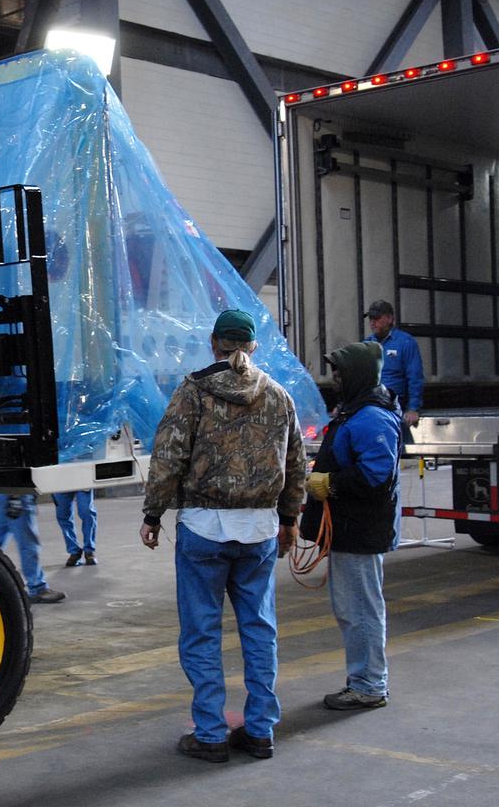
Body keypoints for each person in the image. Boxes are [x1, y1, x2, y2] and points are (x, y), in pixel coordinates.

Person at [139, 309, 305, 763]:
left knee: (201, 633)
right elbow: (295, 466)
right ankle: (260, 731)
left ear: (215, 343)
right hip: (259, 532)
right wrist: (290, 520)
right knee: (259, 629)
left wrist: (153, 513)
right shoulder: (278, 396)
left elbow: (168, 456)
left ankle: (210, 734)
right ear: (251, 346)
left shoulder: (193, 392)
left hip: (203, 530)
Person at [301, 341, 401, 711]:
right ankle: (365, 680)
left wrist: (331, 484)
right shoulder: (356, 411)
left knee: (360, 610)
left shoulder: (371, 417)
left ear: (357, 374)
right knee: (353, 608)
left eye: (341, 371)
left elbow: (377, 474)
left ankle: (369, 685)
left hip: (360, 531)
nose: (335, 378)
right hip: (350, 529)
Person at [0, 495, 66, 604]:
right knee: (28, 543)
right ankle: (37, 588)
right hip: (17, 493)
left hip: (5, 493)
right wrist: (15, 497)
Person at [362, 300, 423, 439]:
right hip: (370, 403)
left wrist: (413, 409)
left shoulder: (405, 342)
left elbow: (415, 377)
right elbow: (357, 377)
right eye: (371, 319)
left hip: (393, 404)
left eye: (377, 318)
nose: (372, 322)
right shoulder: (366, 344)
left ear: (389, 318)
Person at [54, 490, 98, 566]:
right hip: (59, 481)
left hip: (82, 480)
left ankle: (89, 550)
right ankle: (74, 551)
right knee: (63, 515)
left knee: (87, 512)